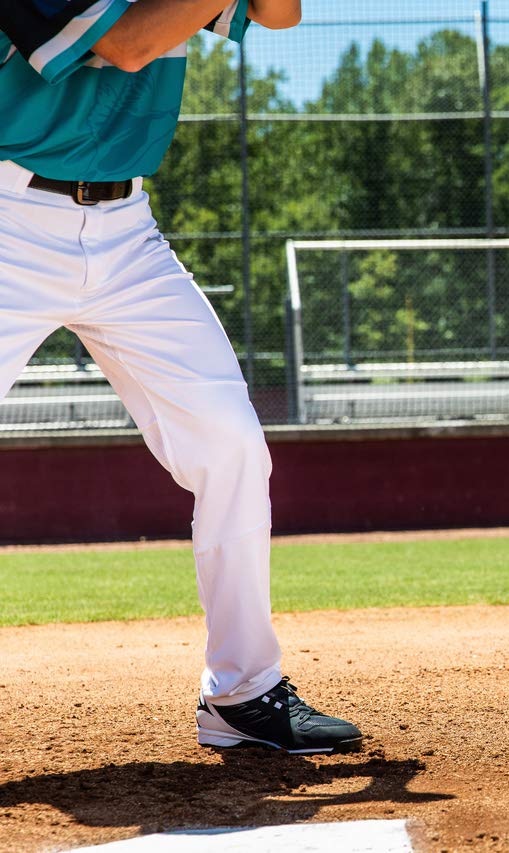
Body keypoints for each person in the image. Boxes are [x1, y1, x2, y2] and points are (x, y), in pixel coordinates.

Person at [0, 1, 362, 752]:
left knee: (230, 443)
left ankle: (244, 692)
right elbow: (131, 45)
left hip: (127, 228)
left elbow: (282, 14)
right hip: (10, 222)